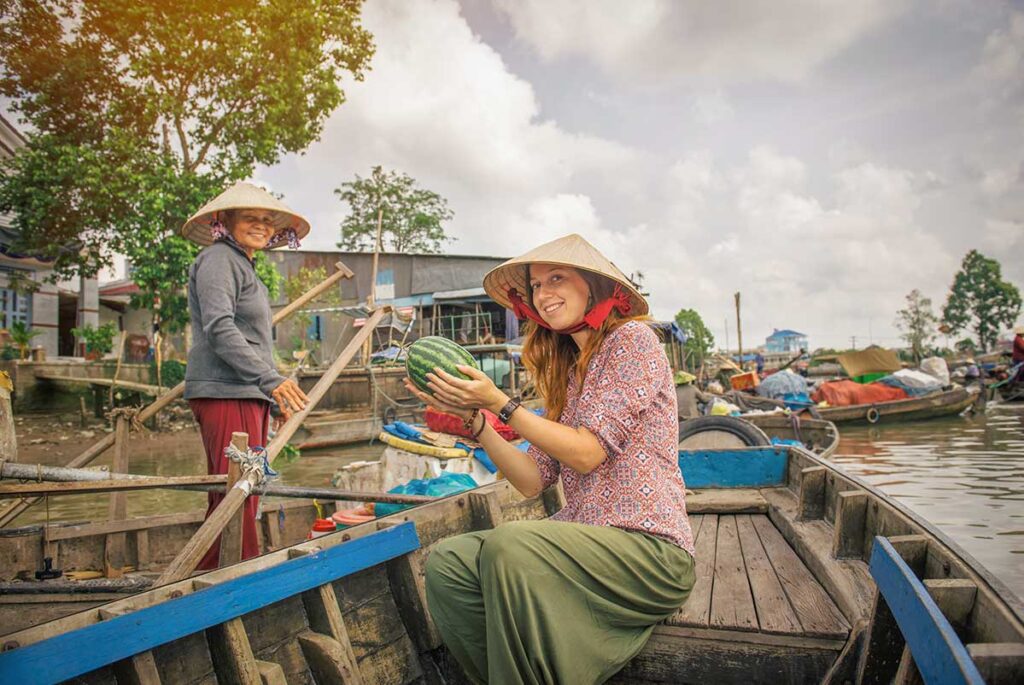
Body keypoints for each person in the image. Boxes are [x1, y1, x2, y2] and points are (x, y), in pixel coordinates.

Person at [406, 234, 696, 684]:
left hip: (651, 552)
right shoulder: (569, 372)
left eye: (556, 279)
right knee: (449, 563)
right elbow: (530, 479)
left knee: (510, 546)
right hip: (585, 544)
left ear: (595, 287)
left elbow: (585, 454)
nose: (543, 294)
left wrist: (501, 402)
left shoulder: (633, 341)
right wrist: (475, 418)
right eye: (536, 286)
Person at [181, 182, 311, 569]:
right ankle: (232, 576)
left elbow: (253, 342)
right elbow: (219, 327)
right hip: (225, 392)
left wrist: (272, 398)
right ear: (225, 221)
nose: (261, 225)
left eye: (267, 220)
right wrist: (273, 381)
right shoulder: (219, 259)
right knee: (236, 493)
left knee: (242, 491)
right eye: (250, 217)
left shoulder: (244, 266)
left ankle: (222, 571)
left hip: (244, 392)